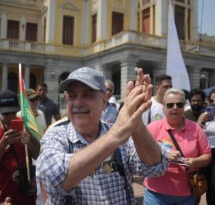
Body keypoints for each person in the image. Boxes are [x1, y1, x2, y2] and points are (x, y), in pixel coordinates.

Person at [36, 67, 173, 204]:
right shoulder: (56, 135)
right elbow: (51, 178)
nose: (77, 103)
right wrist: (114, 136)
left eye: (87, 94)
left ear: (103, 101)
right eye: (72, 96)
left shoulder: (121, 135)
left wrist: (136, 121)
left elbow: (156, 167)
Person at [143, 88, 212, 205]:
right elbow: (143, 154)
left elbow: (207, 155)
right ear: (164, 108)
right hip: (156, 193)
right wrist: (164, 155)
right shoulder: (152, 128)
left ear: (184, 107)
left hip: (186, 193)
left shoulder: (195, 128)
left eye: (179, 104)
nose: (175, 108)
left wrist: (194, 162)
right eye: (170, 105)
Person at [0, 90, 40, 205]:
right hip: (4, 193)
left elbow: (39, 155)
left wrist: (28, 143)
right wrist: (3, 144)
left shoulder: (25, 126)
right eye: (5, 114)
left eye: (13, 113)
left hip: (24, 191)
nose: (10, 118)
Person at [17, 89, 47, 205]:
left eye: (37, 99)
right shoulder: (19, 116)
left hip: (42, 154)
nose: (36, 102)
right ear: (25, 102)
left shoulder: (41, 114)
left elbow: (44, 132)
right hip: (28, 156)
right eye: (32, 99)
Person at [202, 90, 215, 205]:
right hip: (206, 152)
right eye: (211, 100)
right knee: (204, 184)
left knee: (213, 185)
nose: (214, 103)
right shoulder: (205, 114)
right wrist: (200, 122)